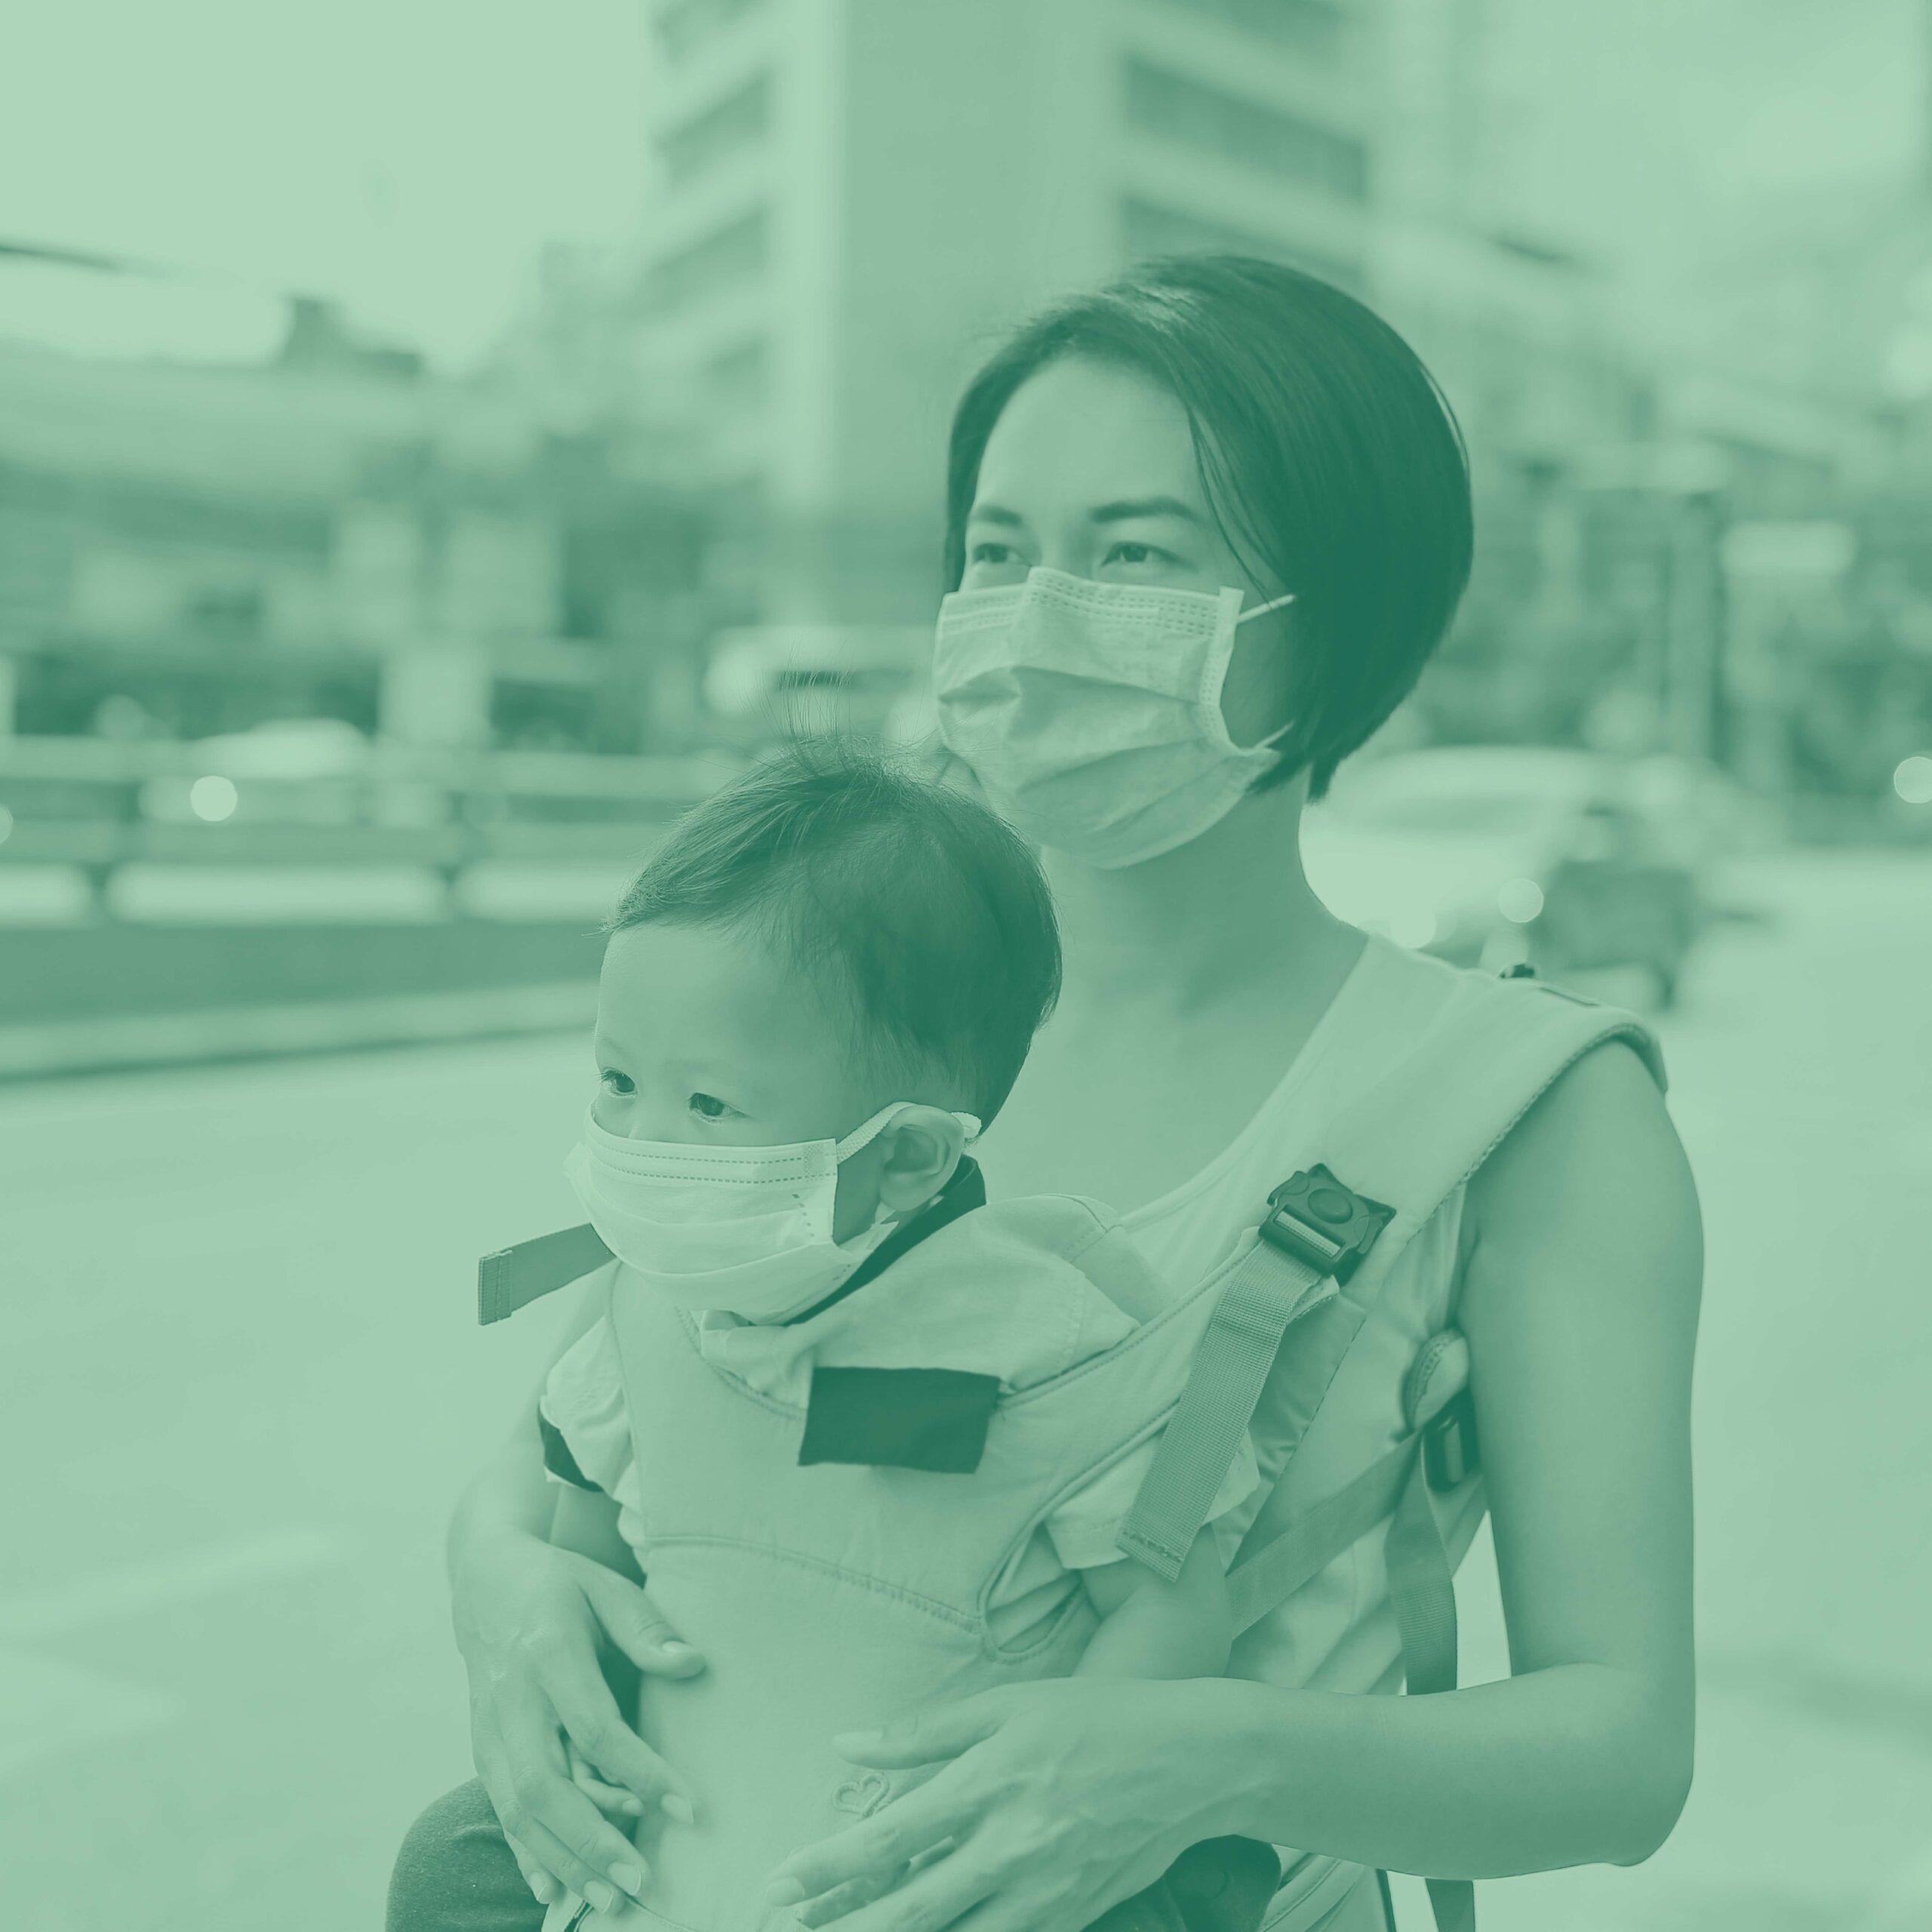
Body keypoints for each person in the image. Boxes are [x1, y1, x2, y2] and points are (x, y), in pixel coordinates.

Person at [390, 254, 1700, 1932]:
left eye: (1135, 553)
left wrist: (1204, 1761)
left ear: (1333, 614)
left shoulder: (1528, 1114)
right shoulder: (828, 1007)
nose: (1034, 609)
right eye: (997, 550)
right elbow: (583, 1430)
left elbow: (1617, 1744)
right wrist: (492, 1578)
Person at [505, 740, 1280, 1930]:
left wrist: (1056, 1806)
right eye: (618, 1081)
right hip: (681, 1856)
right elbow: (583, 1569)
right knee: (443, 1871)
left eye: (708, 1105)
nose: (645, 1142)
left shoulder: (1051, 1352)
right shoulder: (637, 1323)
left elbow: (1173, 1608)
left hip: (945, 1881)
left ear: (910, 1156)